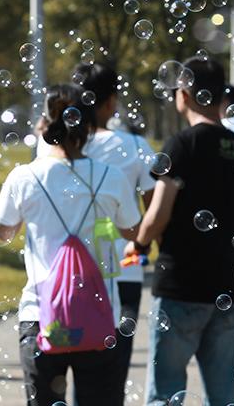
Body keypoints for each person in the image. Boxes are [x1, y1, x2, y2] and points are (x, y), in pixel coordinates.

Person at [0, 84, 141, 406]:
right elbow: (132, 231)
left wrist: (20, 220)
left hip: (41, 315)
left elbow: (2, 231)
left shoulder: (25, 177)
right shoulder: (111, 177)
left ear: (46, 127)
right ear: (89, 128)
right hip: (100, 316)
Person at [137, 56, 234, 406]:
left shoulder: (181, 145)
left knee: (164, 395)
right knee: (223, 398)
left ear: (184, 94)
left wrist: (138, 242)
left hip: (179, 287)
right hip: (225, 289)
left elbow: (157, 217)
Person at [35, 63, 156, 391]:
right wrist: (142, 242)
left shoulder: (51, 145)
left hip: (56, 277)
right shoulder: (133, 146)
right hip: (122, 273)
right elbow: (152, 209)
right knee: (105, 383)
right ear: (111, 102)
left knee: (58, 374)